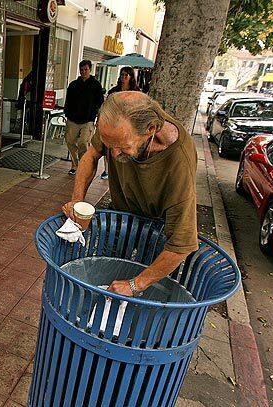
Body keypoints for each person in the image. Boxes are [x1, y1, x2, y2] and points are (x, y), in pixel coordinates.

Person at [62, 91, 198, 297]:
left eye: (123, 147)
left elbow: (182, 244)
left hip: (156, 229)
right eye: (110, 146)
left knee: (143, 289)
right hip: (120, 215)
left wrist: (135, 285)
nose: (114, 155)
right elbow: (90, 156)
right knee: (105, 275)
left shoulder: (179, 162)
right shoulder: (115, 123)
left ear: (151, 130)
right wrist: (77, 201)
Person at [63, 60, 104, 175]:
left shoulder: (96, 85)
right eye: (81, 69)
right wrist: (67, 113)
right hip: (72, 119)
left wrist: (98, 118)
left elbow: (100, 103)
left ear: (90, 70)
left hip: (88, 120)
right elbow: (68, 101)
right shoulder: (73, 85)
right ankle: (75, 165)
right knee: (70, 141)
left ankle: (83, 165)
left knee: (83, 143)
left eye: (86, 69)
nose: (83, 72)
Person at [101, 67, 140, 179]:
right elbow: (106, 107)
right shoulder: (114, 91)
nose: (123, 77)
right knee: (108, 148)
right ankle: (107, 170)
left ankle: (123, 172)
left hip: (128, 126)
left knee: (124, 149)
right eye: (122, 75)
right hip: (112, 124)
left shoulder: (136, 92)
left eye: (126, 75)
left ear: (131, 77)